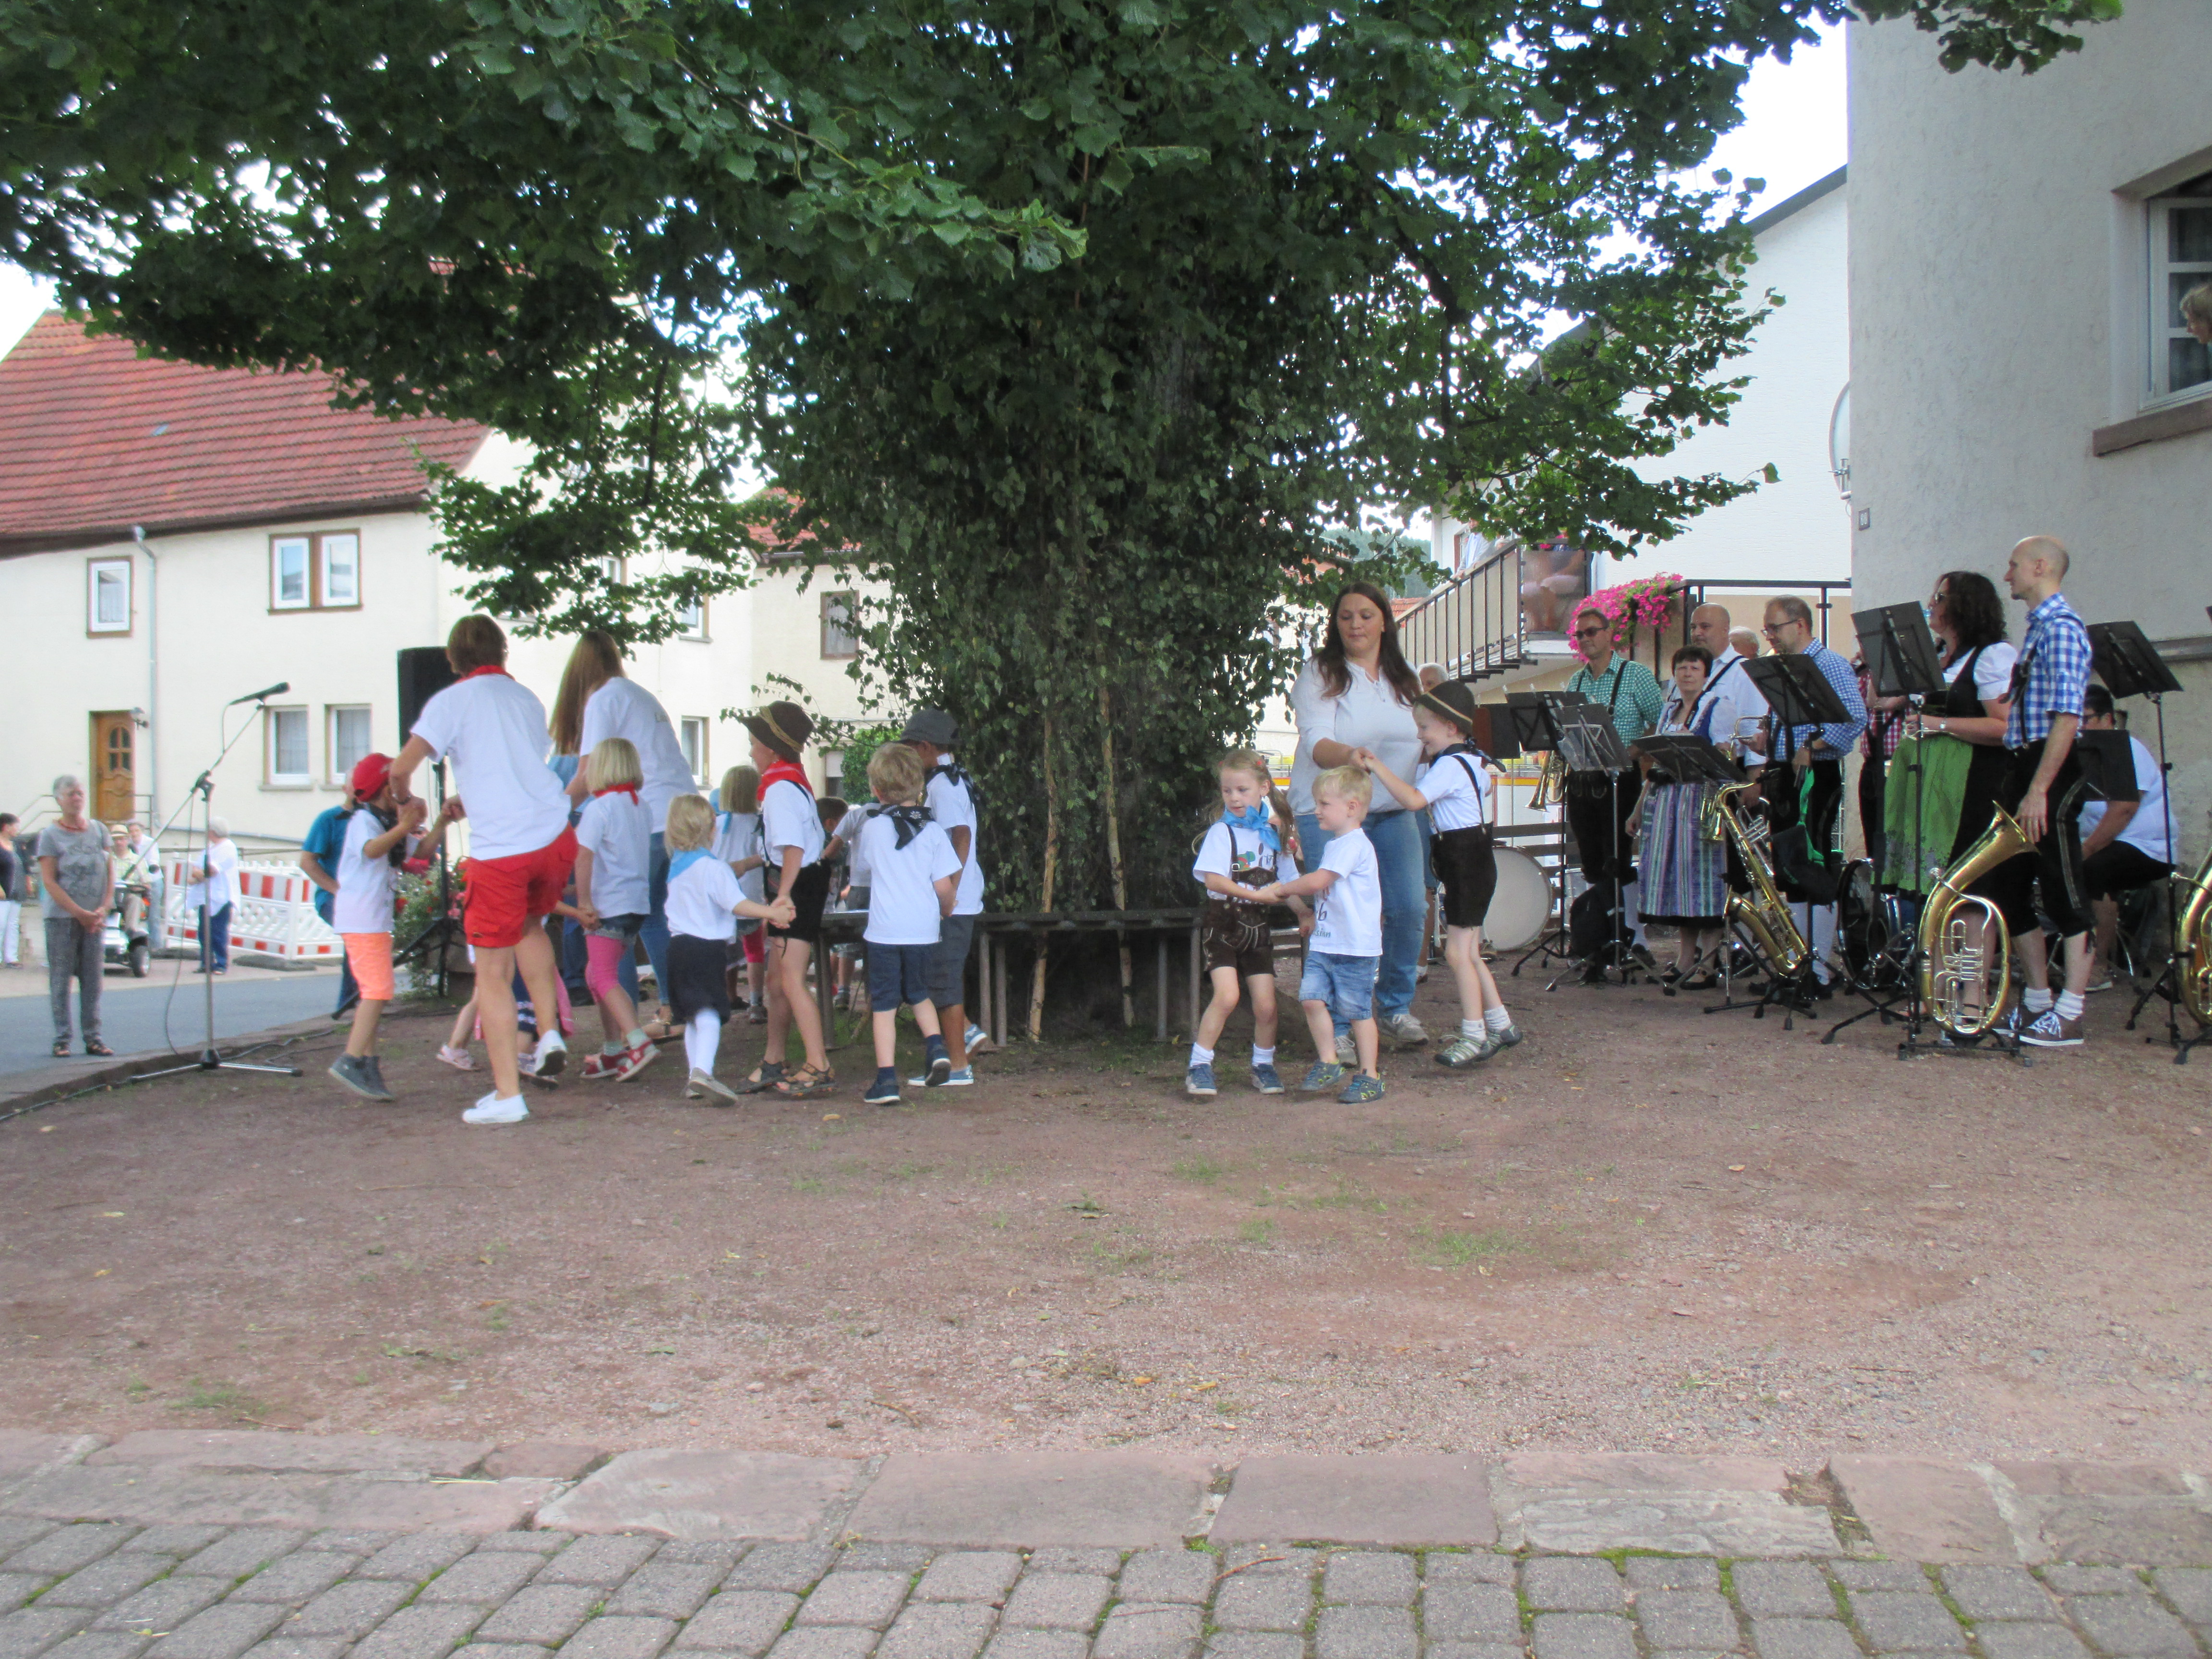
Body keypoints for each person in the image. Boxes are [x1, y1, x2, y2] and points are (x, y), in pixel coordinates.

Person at [391, 614, 578, 1125]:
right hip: (554, 832)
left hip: (504, 850)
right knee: (532, 928)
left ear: (454, 659)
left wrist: (409, 805)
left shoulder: (450, 701)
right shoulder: (526, 699)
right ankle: (550, 1033)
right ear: (503, 652)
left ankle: (507, 1096)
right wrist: (470, 796)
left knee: (492, 974)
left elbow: (399, 769)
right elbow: (512, 768)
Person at [1288, 583, 1429, 1050]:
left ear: (1384, 621)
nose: (1355, 625)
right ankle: (1342, 1024)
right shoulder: (1322, 672)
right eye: (1346, 616)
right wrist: (1351, 756)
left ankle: (1394, 1007)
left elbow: (1423, 738)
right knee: (1339, 919)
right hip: (1330, 814)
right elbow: (1316, 742)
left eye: (1366, 615)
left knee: (1410, 908)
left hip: (1389, 812)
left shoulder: (1403, 678)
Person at [1356, 682, 1523, 1067]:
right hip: (1475, 861)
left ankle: (1474, 1035)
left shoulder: (1449, 766)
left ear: (1451, 728)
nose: (1419, 736)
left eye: (1425, 728)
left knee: (1456, 953)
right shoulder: (1473, 760)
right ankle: (1501, 1023)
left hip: (1464, 864)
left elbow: (1414, 800)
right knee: (1471, 952)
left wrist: (1377, 766)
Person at [552, 631, 698, 1031]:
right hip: (681, 813)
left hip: (648, 819)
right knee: (662, 918)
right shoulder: (637, 694)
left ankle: (635, 1025)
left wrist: (550, 816)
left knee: (621, 921)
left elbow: (586, 775)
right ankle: (677, 1008)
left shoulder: (602, 699)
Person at [1992, 536, 2097, 1047]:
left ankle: (2071, 1011)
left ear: (2040, 567)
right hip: (2023, 764)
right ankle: (2036, 1002)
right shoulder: (2038, 629)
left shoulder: (2061, 630)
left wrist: (2039, 790)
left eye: (2014, 566)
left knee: (2063, 887)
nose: (2008, 575)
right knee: (2010, 886)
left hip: (2046, 768)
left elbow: (2067, 718)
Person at [1878, 571, 2015, 914]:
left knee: (1965, 891)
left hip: (1967, 785)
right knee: (1929, 892)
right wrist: (1885, 650)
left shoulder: (1992, 656)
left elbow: (2005, 727)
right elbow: (1879, 701)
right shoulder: (1936, 656)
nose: (1931, 605)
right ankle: (1932, 964)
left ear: (1964, 606)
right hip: (1926, 780)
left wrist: (1937, 724)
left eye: (1940, 598)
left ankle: (1967, 966)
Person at [327, 753, 455, 1102]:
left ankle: (368, 1062)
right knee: (379, 991)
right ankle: (351, 1059)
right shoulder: (364, 822)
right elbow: (371, 852)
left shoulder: (385, 820)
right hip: (362, 919)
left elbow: (422, 853)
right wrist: (403, 825)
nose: (407, 791)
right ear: (386, 789)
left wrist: (441, 822)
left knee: (373, 990)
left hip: (371, 919)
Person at [1257, 764, 1385, 1102]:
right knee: (1311, 998)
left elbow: (1319, 882)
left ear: (1352, 807)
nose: (1317, 811)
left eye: (1324, 804)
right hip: (1327, 943)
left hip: (1356, 948)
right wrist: (1314, 918)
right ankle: (1329, 1060)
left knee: (1357, 1011)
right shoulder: (1336, 845)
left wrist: (1283, 890)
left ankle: (1369, 1075)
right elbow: (1330, 894)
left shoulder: (1354, 845)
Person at [1761, 595, 1867, 994]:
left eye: (1775, 627)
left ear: (1801, 625)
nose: (1770, 635)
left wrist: (1817, 745)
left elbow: (1855, 716)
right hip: (1787, 772)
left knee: (1815, 865)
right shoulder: (1784, 668)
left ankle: (1820, 969)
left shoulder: (1830, 664)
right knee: (1789, 869)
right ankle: (1798, 963)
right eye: (1767, 629)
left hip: (1816, 774)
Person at [1186, 748, 1306, 1098]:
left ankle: (1263, 1065)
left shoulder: (1274, 835)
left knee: (1267, 1005)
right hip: (1223, 924)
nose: (1235, 798)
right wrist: (1259, 896)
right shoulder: (1222, 833)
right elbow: (1214, 881)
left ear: (1264, 788)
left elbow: (1288, 882)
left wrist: (1304, 912)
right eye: (1228, 791)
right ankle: (1200, 1065)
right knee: (1227, 996)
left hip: (1258, 929)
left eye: (1243, 790)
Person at [661, 793, 795, 1101]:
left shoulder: (678, 867)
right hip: (706, 950)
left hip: (678, 949)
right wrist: (772, 912)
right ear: (711, 830)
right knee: (710, 1011)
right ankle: (703, 1074)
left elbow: (723, 882)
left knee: (693, 1014)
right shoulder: (713, 869)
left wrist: (747, 864)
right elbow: (737, 904)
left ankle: (696, 1072)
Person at [734, 700, 836, 1098]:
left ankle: (819, 1064)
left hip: (796, 888)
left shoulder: (779, 789)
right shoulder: (791, 783)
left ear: (771, 749)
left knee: (791, 980)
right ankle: (774, 1060)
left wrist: (782, 898)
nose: (750, 751)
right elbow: (788, 846)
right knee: (779, 980)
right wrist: (746, 864)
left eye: (753, 743)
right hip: (801, 884)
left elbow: (793, 851)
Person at [851, 743, 962, 1106]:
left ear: (877, 790)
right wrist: (946, 908)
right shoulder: (932, 832)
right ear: (919, 785)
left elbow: (867, 870)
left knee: (884, 1002)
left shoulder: (874, 829)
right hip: (923, 929)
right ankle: (936, 1046)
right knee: (919, 992)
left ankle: (886, 1080)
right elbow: (944, 886)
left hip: (885, 930)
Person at [1562, 602, 1665, 982]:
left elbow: (1659, 720)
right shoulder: (1576, 682)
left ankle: (1636, 940)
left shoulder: (1635, 675)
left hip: (1621, 778)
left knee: (1618, 861)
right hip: (1585, 779)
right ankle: (1599, 937)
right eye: (1580, 635)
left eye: (1592, 632)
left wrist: (1634, 754)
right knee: (1590, 861)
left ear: (1609, 635)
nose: (1586, 639)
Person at [1632, 647, 1731, 986]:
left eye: (1695, 667)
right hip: (1667, 803)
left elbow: (1725, 759)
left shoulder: (1718, 707)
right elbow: (1656, 767)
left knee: (1703, 883)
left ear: (1706, 673)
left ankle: (1709, 963)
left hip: (1700, 803)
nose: (1687, 673)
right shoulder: (1669, 711)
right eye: (1682, 667)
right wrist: (1637, 809)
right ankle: (1684, 958)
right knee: (1680, 887)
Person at [903, 709, 990, 1080]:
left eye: (909, 748)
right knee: (940, 975)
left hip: (955, 899)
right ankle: (967, 1033)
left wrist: (948, 891)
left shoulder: (942, 786)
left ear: (925, 747)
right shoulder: (951, 781)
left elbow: (961, 836)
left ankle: (958, 1065)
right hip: (959, 895)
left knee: (944, 980)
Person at [574, 736, 661, 1082]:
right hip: (635, 903)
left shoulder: (599, 808)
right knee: (596, 975)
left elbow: (584, 855)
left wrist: (582, 901)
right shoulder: (641, 806)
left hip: (607, 904)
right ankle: (612, 1050)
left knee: (604, 975)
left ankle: (636, 1041)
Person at [2077, 686, 2171, 993]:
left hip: (2148, 848)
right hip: (2105, 843)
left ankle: (2100, 965)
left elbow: (2124, 809)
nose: (2078, 725)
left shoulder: (2128, 750)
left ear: (2108, 719)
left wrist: (2086, 850)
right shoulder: (2082, 753)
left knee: (2095, 870)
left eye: (2086, 718)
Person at [37, 776, 113, 1057]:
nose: (77, 798)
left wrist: (104, 907)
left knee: (93, 979)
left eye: (80, 793)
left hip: (94, 918)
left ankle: (94, 1037)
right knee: (61, 978)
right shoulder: (50, 836)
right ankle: (62, 1038)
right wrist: (78, 913)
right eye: (71, 794)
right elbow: (50, 881)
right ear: (59, 800)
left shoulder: (98, 830)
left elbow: (108, 871)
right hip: (62, 918)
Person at [714, 765, 768, 1021]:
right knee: (754, 949)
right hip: (750, 897)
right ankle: (757, 1003)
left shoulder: (715, 824)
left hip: (720, 898)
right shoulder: (760, 824)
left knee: (725, 949)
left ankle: (728, 996)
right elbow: (767, 856)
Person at [301, 799, 362, 1018]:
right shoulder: (330, 820)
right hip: (333, 898)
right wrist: (336, 890)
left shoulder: (374, 818)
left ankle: (359, 1001)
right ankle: (349, 1003)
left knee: (362, 941)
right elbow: (307, 861)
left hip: (365, 898)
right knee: (356, 936)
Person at [188, 817, 240, 975]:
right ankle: (206, 962)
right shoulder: (208, 850)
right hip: (206, 896)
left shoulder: (228, 847)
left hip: (221, 896)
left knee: (218, 931)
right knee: (204, 931)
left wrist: (201, 874)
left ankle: (221, 963)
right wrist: (200, 874)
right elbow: (196, 870)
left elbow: (212, 870)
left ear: (213, 831)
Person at [120, 821, 165, 951]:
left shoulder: (150, 843)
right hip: (134, 882)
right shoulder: (128, 845)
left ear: (142, 831)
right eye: (131, 831)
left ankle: (156, 946)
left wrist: (153, 866)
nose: (134, 834)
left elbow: (154, 860)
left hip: (152, 880)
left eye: (137, 831)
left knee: (153, 913)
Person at [0, 813, 23, 968]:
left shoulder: (17, 845)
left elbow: (23, 866)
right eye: (15, 826)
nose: (17, 830)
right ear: (6, 827)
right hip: (3, 891)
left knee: (13, 924)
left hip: (16, 891)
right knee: (1, 924)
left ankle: (11, 957)